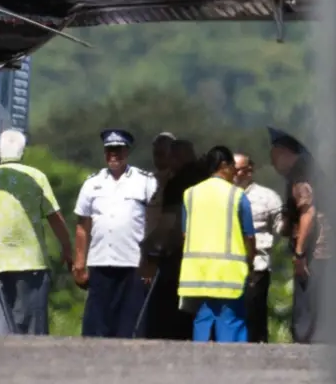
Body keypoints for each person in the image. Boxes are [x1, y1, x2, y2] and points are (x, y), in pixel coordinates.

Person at [0, 129, 74, 335]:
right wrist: (68, 250)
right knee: (32, 330)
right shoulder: (37, 176)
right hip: (31, 263)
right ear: (22, 152)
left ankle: (5, 365)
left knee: (1, 331)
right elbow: (55, 216)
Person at [72, 128, 159, 338]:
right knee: (97, 325)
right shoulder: (92, 183)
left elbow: (154, 223)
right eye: (110, 150)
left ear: (127, 151)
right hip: (101, 261)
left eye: (119, 150)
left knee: (131, 325)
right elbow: (83, 226)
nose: (114, 154)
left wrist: (150, 262)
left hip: (133, 263)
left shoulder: (145, 181)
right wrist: (79, 262)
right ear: (104, 153)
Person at [178, 145, 256, 343]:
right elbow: (249, 236)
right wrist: (250, 262)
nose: (235, 173)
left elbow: (185, 233)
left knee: (203, 319)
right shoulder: (237, 195)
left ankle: (200, 366)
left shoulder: (190, 194)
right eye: (233, 168)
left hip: (198, 274)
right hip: (228, 274)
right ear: (224, 166)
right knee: (231, 322)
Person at [268, 127, 330, 344]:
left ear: (286, 152)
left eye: (275, 153)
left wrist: (300, 252)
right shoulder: (304, 173)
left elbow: (308, 214)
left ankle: (307, 343)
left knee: (306, 303)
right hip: (325, 249)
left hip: (316, 250)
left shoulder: (300, 176)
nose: (272, 160)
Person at [142, 139, 203, 339]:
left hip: (179, 253)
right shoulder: (205, 178)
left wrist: (150, 245)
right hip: (204, 253)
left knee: (170, 307)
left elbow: (170, 222)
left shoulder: (179, 182)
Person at [233, 151, 284, 343]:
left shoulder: (268, 197)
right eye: (231, 169)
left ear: (249, 171)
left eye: (238, 170)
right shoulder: (224, 195)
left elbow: (280, 227)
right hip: (230, 265)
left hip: (257, 265)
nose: (234, 174)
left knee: (254, 315)